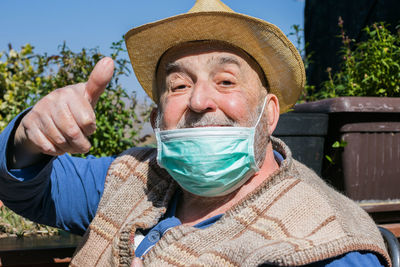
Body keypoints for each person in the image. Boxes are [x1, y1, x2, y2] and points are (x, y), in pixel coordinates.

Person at [0, 0, 390, 266]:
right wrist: (28, 137)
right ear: (157, 117)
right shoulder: (129, 178)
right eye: (179, 85)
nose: (200, 100)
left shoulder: (330, 244)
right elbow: (25, 186)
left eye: (225, 81)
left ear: (269, 114)